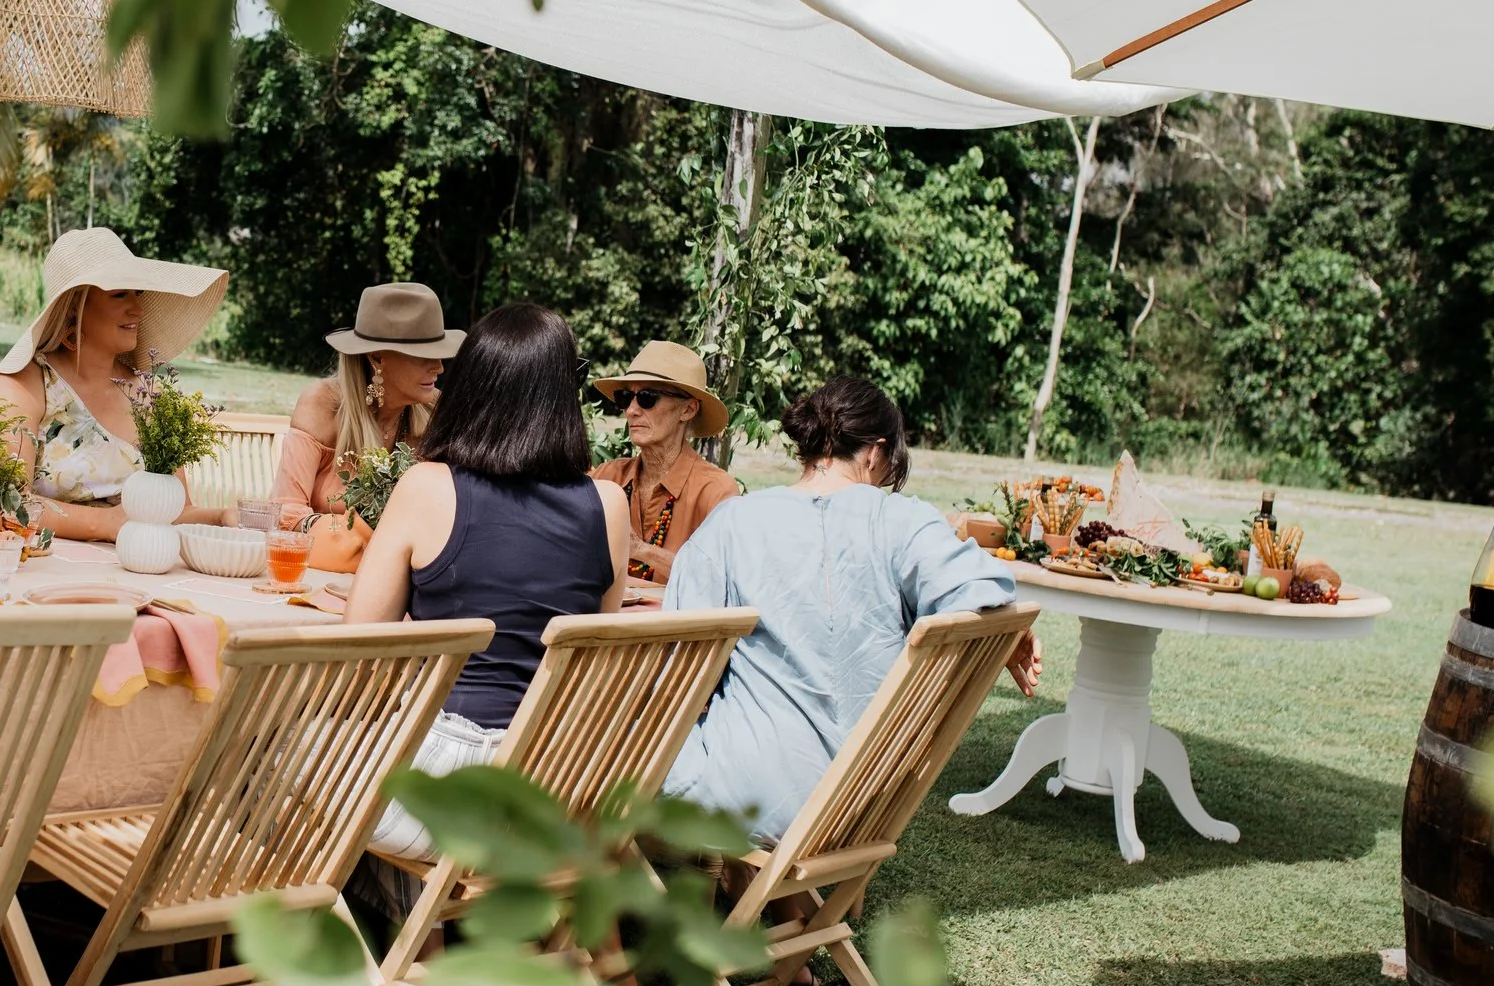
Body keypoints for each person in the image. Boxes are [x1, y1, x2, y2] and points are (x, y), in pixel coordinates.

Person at [663, 377, 1043, 841]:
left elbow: (678, 666)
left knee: (626, 740)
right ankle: (787, 895)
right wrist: (1012, 631)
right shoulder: (904, 521)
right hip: (865, 802)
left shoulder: (733, 523)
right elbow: (982, 592)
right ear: (875, 453)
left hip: (747, 798)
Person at [348, 303, 633, 856]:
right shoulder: (609, 503)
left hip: (447, 789)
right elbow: (590, 646)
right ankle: (424, 935)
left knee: (264, 755)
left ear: (472, 387)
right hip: (555, 793)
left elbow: (355, 649)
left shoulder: (428, 486)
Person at [0, 226, 234, 542]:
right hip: (43, 567)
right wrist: (104, 525)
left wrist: (222, 517)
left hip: (138, 571)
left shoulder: (150, 397)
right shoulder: (25, 386)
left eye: (137, 293)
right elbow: (4, 500)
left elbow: (176, 512)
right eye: (120, 294)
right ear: (75, 307)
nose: (138, 308)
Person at [273, 283, 464, 523]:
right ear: (376, 357)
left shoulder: (437, 412)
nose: (439, 367)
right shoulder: (322, 405)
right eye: (423, 355)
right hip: (321, 559)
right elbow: (285, 514)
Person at [590, 340, 740, 586]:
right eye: (625, 397)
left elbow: (723, 579)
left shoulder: (715, 491)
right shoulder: (608, 476)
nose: (631, 410)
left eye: (647, 398)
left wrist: (641, 550)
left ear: (688, 410)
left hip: (678, 625)